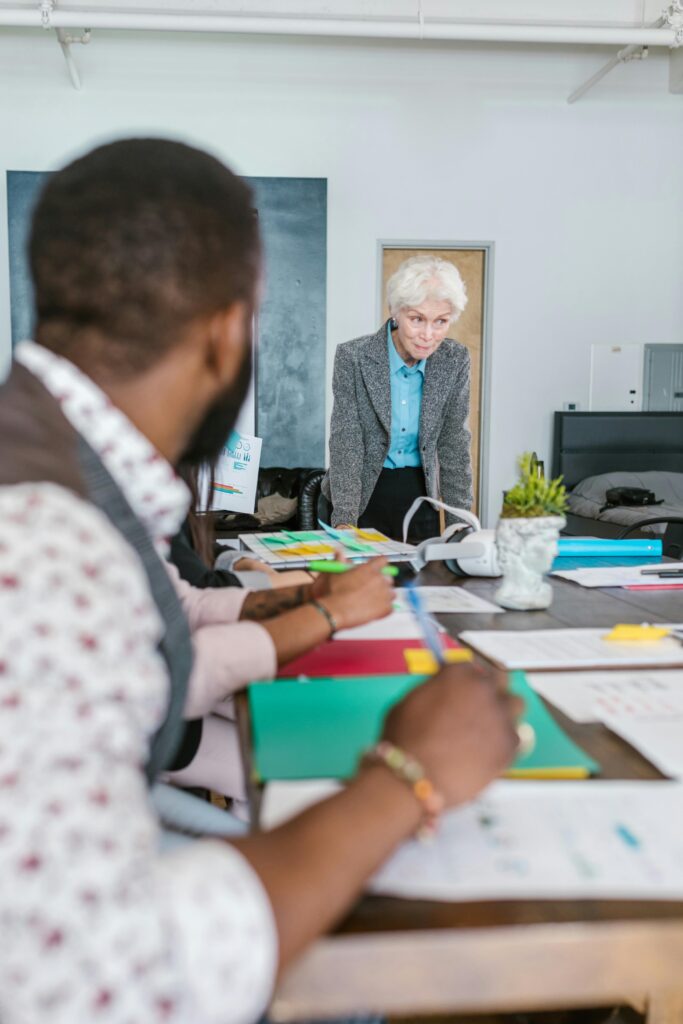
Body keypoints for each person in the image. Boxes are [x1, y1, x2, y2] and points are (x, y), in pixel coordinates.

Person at [0, 138, 521, 1024]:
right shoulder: (50, 542)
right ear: (228, 329)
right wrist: (409, 776)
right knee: (362, 945)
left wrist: (303, 604)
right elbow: (100, 986)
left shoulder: (58, 464)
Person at [321, 254, 473, 542]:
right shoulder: (353, 357)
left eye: (440, 321)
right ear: (395, 311)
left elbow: (454, 442)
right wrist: (344, 520)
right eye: (417, 319)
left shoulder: (455, 360)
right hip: (363, 490)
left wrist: (459, 526)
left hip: (421, 493)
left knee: (422, 582)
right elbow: (347, 439)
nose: (428, 335)